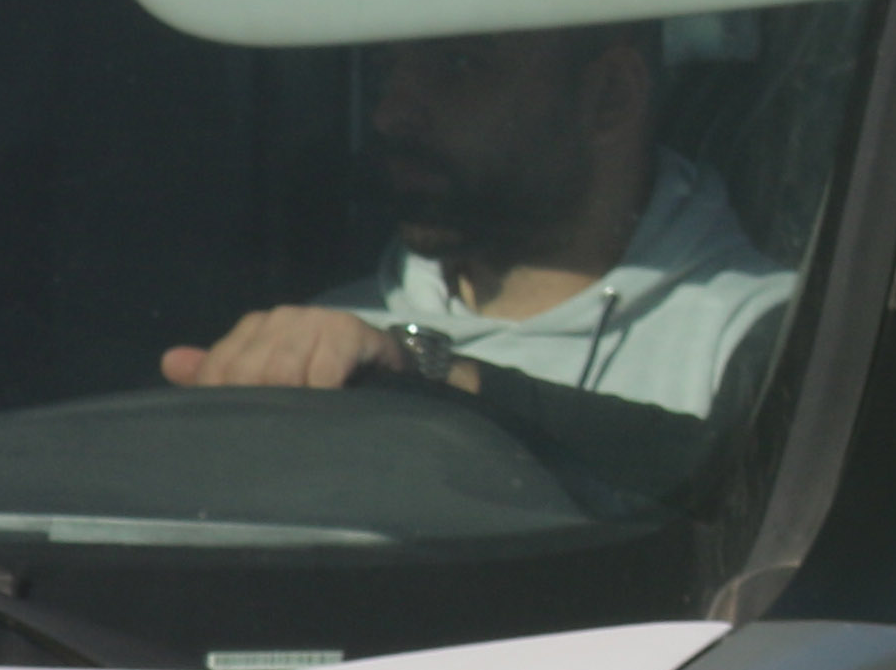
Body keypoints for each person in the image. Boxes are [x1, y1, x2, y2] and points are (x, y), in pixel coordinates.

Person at [160, 23, 798, 478]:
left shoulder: (764, 344)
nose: (390, 115)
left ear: (610, 95)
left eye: (458, 64)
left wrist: (425, 375)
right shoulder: (329, 344)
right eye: (388, 69)